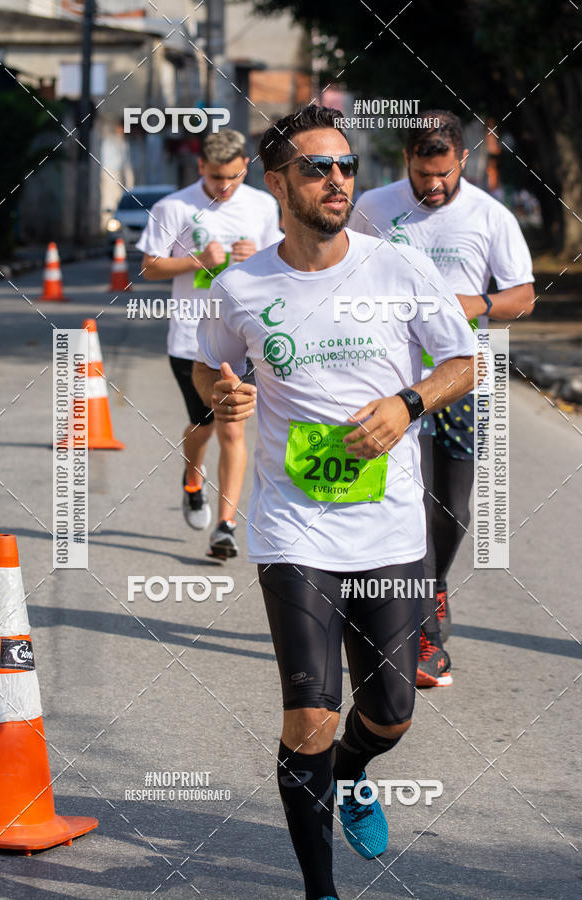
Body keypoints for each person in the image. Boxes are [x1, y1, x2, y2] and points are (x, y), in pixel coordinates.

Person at [193, 105, 476, 900]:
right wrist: (224, 396)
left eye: (346, 166)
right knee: (310, 713)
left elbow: (463, 360)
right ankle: (321, 891)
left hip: (389, 531)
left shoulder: (396, 266)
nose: (337, 180)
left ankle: (354, 773)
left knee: (389, 714)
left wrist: (408, 406)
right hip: (292, 531)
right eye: (318, 167)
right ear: (278, 181)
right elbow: (212, 370)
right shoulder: (240, 285)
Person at [350, 110, 534, 688]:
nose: (433, 186)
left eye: (444, 175)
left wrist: (468, 305)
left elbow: (523, 296)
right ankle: (422, 634)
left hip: (460, 380)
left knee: (450, 508)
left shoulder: (490, 216)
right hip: (390, 379)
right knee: (406, 503)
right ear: (406, 160)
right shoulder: (373, 208)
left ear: (462, 162)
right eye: (423, 174)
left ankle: (433, 585)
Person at [137, 129, 282, 558]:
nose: (225, 186)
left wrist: (256, 254)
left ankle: (225, 526)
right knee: (204, 426)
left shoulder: (262, 205)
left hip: (243, 338)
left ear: (244, 169)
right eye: (217, 177)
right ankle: (192, 474)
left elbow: (280, 261)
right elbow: (150, 267)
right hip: (189, 339)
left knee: (233, 427)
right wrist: (198, 260)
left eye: (234, 177)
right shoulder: (174, 207)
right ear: (201, 167)